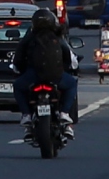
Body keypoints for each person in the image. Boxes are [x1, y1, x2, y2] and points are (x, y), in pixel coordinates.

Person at [12, 9, 78, 138]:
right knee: (72, 84)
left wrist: (20, 70)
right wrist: (66, 67)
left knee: (17, 86)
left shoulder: (29, 38)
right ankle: (65, 113)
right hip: (56, 76)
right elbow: (69, 57)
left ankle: (26, 115)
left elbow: (18, 59)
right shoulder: (58, 38)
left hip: (33, 76)